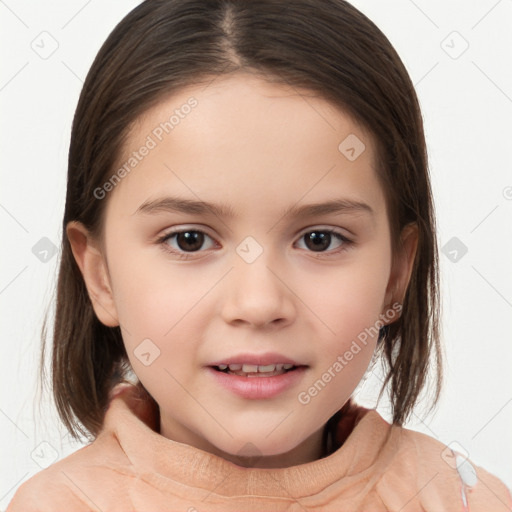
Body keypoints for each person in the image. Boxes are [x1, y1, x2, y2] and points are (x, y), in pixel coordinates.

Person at [7, 0, 512, 510]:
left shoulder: (463, 499)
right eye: (189, 240)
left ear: (396, 274)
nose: (258, 303)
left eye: (320, 239)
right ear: (100, 277)